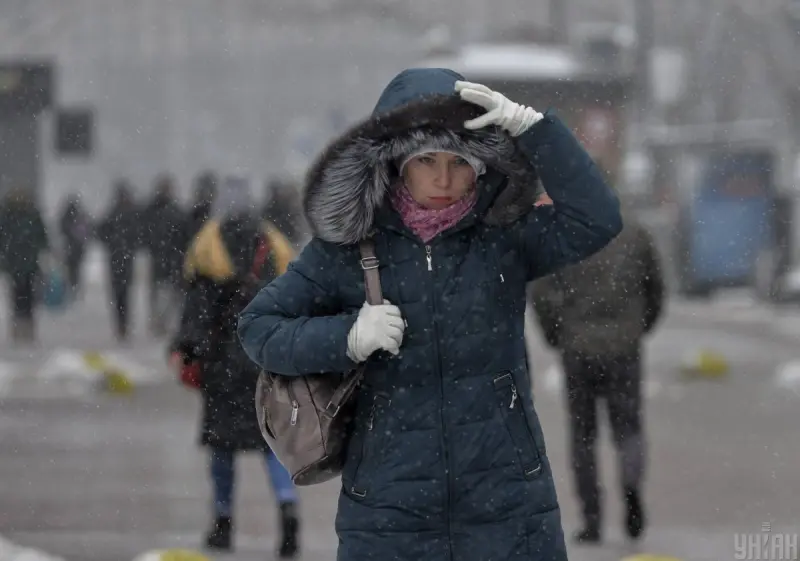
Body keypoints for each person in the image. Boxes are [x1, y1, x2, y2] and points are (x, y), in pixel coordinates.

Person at [237, 68, 622, 560]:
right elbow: (259, 328)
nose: (443, 179)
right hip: (387, 511)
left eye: (459, 162)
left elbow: (597, 220)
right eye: (426, 160)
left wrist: (533, 129)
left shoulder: (504, 237)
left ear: (480, 167)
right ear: (396, 163)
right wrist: (347, 337)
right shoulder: (348, 250)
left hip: (507, 503)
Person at [177, 175, 300, 558]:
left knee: (222, 447)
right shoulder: (273, 245)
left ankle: (223, 522)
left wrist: (189, 350)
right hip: (266, 360)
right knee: (272, 443)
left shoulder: (209, 247)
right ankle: (287, 507)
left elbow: (198, 312)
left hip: (224, 365)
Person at [530, 208, 665, 544]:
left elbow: (542, 292)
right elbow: (656, 288)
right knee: (628, 428)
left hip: (578, 348)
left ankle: (591, 520)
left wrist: (555, 333)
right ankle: (631, 484)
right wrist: (638, 327)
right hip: (624, 348)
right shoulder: (634, 233)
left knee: (583, 436)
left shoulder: (564, 235)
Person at [0, 187, 49, 341]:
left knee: (21, 295)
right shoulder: (20, 215)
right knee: (23, 295)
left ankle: (22, 327)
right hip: (21, 263)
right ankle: (23, 327)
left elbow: (42, 237)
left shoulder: (12, 215)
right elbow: (42, 238)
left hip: (20, 263)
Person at [143, 174, 187, 335]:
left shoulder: (159, 211)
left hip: (168, 258)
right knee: (162, 292)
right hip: (164, 258)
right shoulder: (169, 211)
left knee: (166, 293)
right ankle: (160, 321)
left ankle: (161, 322)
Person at [97, 180, 141, 341]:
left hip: (119, 258)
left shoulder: (115, 213)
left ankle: (122, 324)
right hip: (121, 258)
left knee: (120, 294)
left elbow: (101, 231)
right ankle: (122, 324)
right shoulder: (126, 214)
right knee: (122, 294)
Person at [58, 194, 91, 296]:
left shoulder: (67, 216)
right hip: (77, 247)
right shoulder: (78, 216)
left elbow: (62, 229)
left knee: (70, 267)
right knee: (76, 267)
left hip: (70, 247)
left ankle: (71, 285)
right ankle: (74, 285)